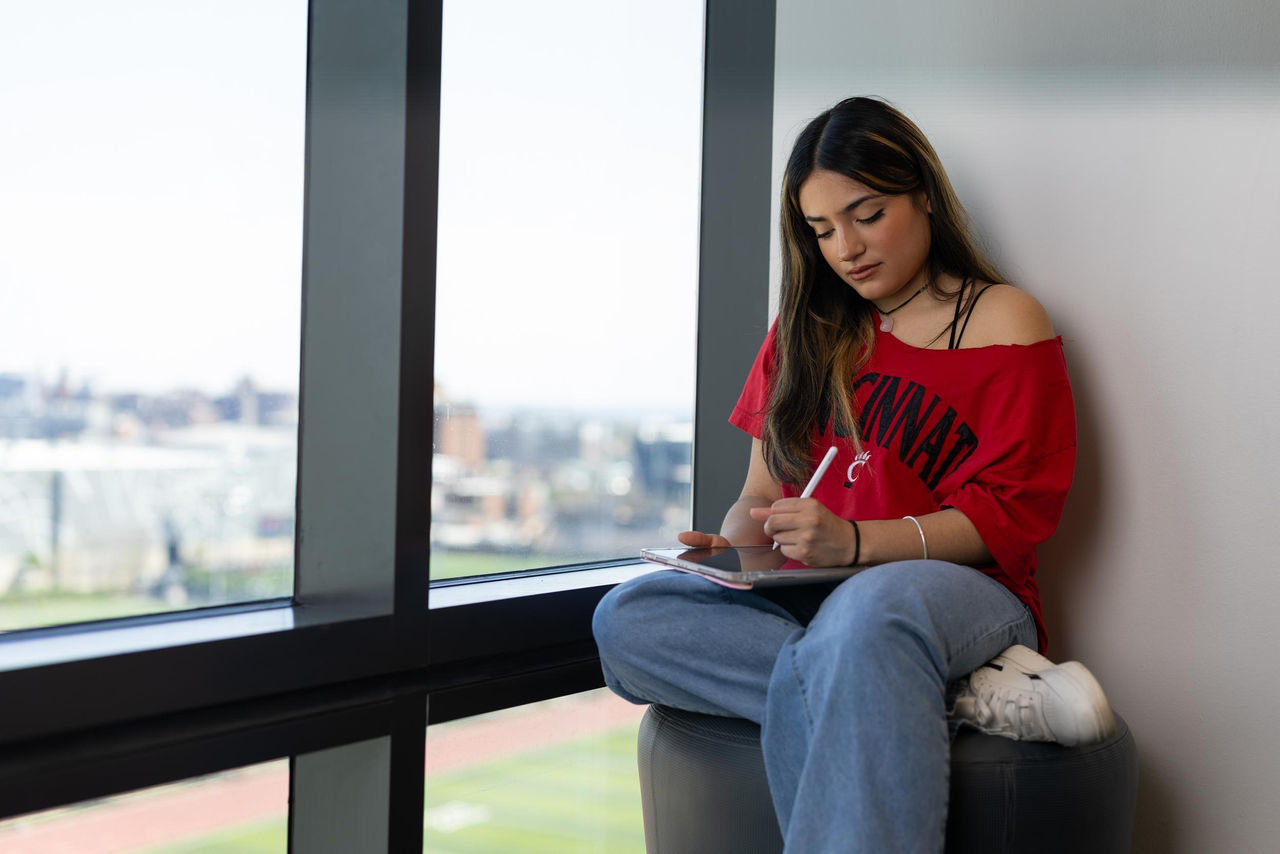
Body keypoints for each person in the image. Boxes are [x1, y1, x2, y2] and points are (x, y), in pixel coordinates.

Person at [592, 96, 1111, 853]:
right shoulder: (802, 334)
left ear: (922, 194)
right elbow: (759, 495)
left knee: (869, 615)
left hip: (956, 592)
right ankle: (953, 695)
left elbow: (1011, 514)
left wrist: (859, 543)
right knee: (629, 617)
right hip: (815, 596)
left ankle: (892, 670)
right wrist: (739, 550)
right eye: (822, 229)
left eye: (867, 215)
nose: (847, 248)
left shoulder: (1003, 319)